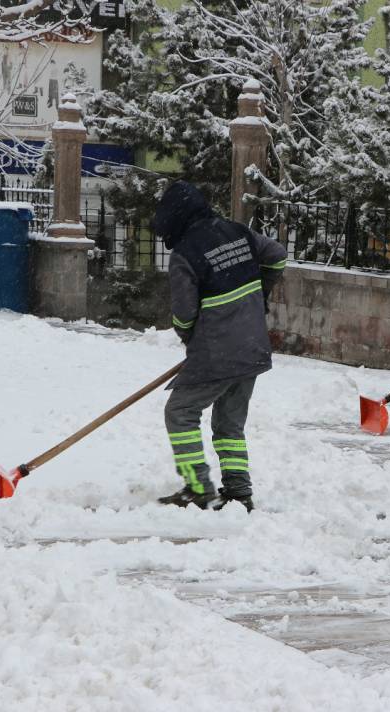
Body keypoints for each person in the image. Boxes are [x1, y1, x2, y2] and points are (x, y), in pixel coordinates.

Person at [151, 181, 287, 512]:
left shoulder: (185, 253)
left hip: (218, 351)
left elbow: (184, 314)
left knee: (180, 411)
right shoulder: (237, 231)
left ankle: (198, 487)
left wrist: (191, 339)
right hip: (253, 344)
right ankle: (239, 493)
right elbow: (277, 256)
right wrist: (259, 295)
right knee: (229, 424)